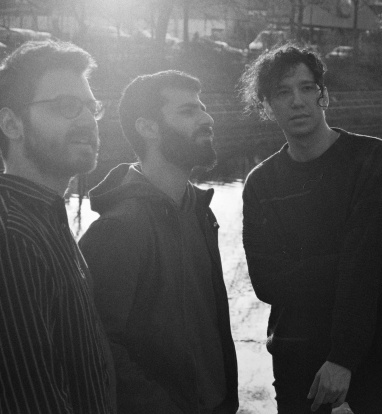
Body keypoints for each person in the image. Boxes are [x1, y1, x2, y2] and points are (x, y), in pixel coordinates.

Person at [239, 44, 382, 414]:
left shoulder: (369, 156)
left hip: (371, 347)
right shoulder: (260, 183)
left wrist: (343, 357)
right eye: (282, 92)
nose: (297, 101)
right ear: (267, 106)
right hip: (295, 350)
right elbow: (266, 282)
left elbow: (369, 260)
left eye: (307, 88)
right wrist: (346, 261)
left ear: (324, 94)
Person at [78, 70, 238, 414]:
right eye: (188, 111)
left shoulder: (199, 212)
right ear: (148, 128)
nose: (207, 119)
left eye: (202, 108)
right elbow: (98, 348)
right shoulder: (117, 230)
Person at [0, 41, 115, 413]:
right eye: (67, 106)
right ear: (11, 124)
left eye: (91, 108)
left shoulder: (47, 218)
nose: (87, 121)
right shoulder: (13, 237)